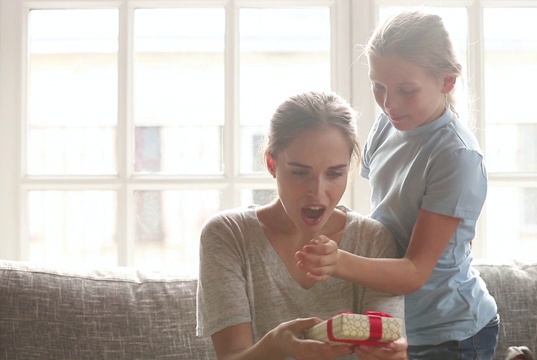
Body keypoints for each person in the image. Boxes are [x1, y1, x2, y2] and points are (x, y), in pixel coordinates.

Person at [295, 9, 499, 360]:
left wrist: (337, 262)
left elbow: (415, 270)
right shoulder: (388, 124)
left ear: (447, 81)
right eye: (379, 87)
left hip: (451, 334)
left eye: (406, 90)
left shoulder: (456, 157)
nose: (389, 103)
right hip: (397, 323)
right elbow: (383, 222)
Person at [196, 90, 408, 360]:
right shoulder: (229, 234)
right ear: (272, 163)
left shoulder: (373, 239)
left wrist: (392, 355)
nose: (317, 193)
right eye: (299, 173)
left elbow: (388, 338)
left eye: (334, 174)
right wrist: (274, 346)